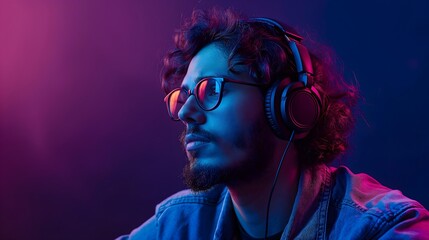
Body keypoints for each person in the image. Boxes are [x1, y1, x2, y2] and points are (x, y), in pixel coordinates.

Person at [117, 8, 429, 239]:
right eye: (181, 97)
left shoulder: (383, 227)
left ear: (289, 106)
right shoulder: (178, 225)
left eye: (210, 89)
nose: (186, 113)